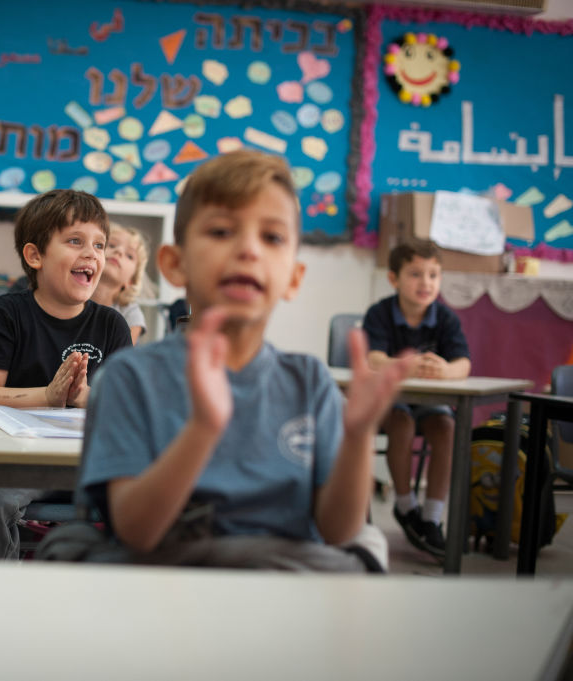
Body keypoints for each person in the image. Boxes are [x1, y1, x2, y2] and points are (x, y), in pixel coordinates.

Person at [74, 150, 412, 571]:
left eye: (271, 238)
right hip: (166, 580)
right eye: (221, 231)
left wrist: (359, 436)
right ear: (174, 265)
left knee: (364, 551)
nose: (249, 249)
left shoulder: (309, 381)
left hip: (282, 585)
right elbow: (136, 532)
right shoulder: (130, 377)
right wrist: (204, 429)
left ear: (293, 278)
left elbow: (337, 531)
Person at [0, 189, 133, 559]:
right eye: (75, 241)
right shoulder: (6, 314)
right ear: (34, 255)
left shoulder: (112, 325)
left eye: (100, 245)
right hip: (12, 463)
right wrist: (50, 397)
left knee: (152, 497)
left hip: (86, 466)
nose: (92, 254)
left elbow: (125, 411)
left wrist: (81, 397)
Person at [363, 240, 470, 559]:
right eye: (415, 274)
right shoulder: (379, 313)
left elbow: (463, 363)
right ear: (393, 279)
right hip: (389, 402)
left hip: (427, 400)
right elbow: (373, 359)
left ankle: (432, 517)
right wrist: (403, 365)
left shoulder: (446, 318)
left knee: (446, 428)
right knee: (402, 422)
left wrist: (447, 371)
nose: (426, 283)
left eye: (434, 275)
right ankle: (405, 505)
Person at [91, 223, 152, 344]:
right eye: (112, 245)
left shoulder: (131, 315)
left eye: (130, 256)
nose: (118, 251)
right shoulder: (73, 297)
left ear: (131, 281)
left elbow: (122, 358)